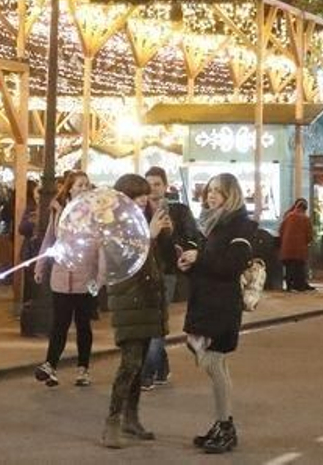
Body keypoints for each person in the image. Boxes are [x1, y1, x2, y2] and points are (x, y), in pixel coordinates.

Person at [179, 172, 257, 455]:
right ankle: (222, 423)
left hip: (222, 305)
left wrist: (201, 258)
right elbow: (211, 263)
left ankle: (225, 426)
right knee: (214, 364)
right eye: (209, 190)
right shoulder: (212, 224)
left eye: (218, 191)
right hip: (206, 301)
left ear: (231, 194)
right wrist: (190, 262)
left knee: (214, 363)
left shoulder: (239, 225)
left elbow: (234, 264)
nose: (211, 195)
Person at [101, 173, 169, 448]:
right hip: (129, 302)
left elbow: (157, 262)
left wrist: (162, 236)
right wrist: (148, 237)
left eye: (144, 195)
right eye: (137, 196)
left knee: (139, 366)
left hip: (147, 302)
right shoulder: (115, 226)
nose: (143, 200)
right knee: (129, 364)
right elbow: (125, 264)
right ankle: (113, 422)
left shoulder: (141, 222)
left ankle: (132, 418)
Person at [35, 170, 95, 388]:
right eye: (80, 185)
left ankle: (83, 368)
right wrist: (40, 265)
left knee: (83, 325)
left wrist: (100, 277)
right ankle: (50, 366)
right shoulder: (58, 211)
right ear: (69, 188)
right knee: (59, 323)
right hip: (61, 276)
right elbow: (49, 239)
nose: (84, 189)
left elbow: (100, 247)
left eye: (87, 185)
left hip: (86, 277)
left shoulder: (94, 214)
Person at [142, 165, 200, 389]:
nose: (153, 189)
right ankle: (162, 366)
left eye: (157, 184)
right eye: (149, 184)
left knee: (155, 321)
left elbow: (192, 237)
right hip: (142, 271)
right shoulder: (140, 210)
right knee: (149, 320)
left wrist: (174, 234)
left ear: (165, 186)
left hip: (166, 272)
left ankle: (147, 371)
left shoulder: (178, 211)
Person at [279, 197, 313, 292]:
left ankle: (289, 286)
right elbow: (309, 235)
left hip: (286, 249)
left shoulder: (288, 216)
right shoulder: (305, 218)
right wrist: (308, 242)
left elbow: (281, 230)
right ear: (304, 209)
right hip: (299, 250)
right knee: (298, 269)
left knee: (289, 268)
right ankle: (299, 286)